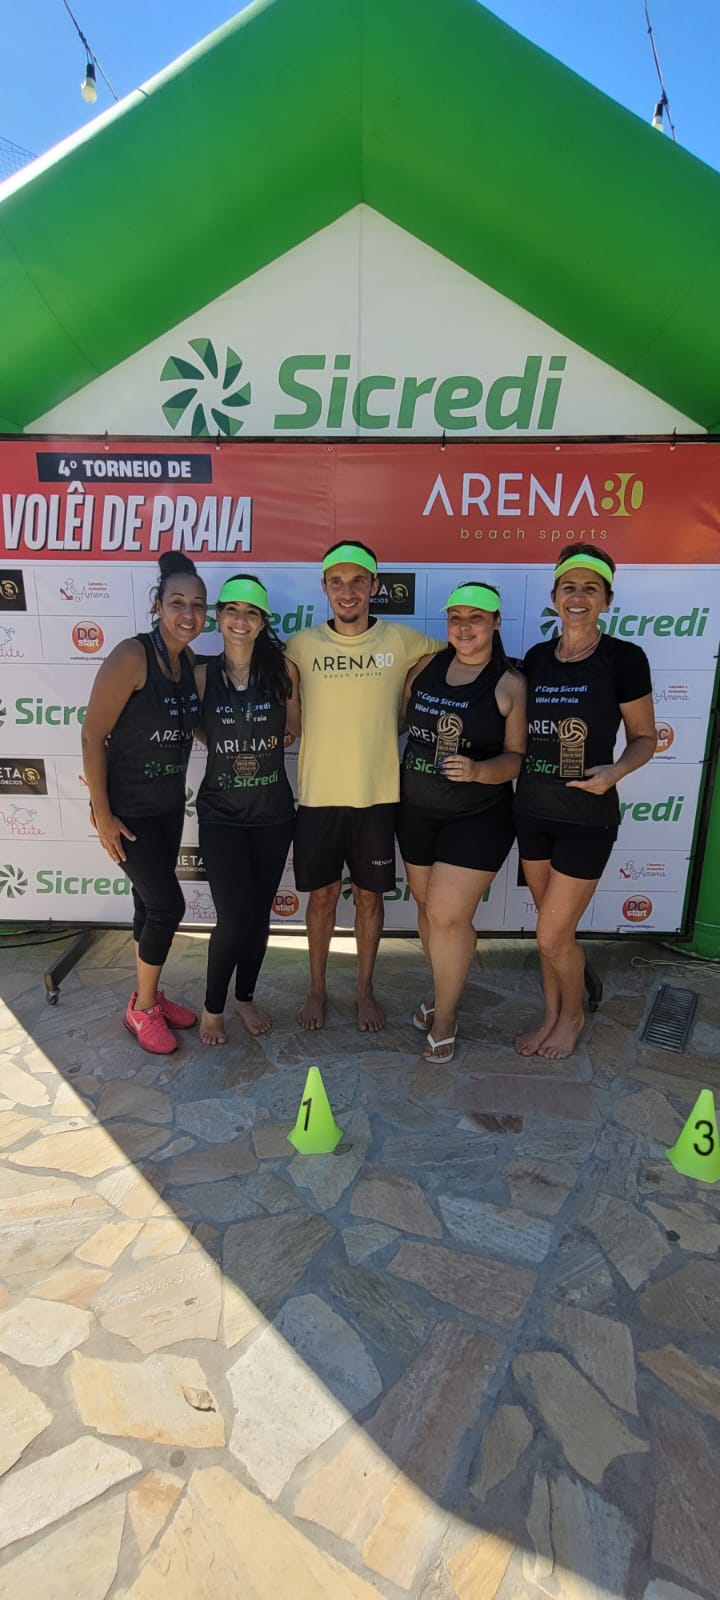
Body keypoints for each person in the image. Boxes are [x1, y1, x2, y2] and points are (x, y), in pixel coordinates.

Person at [286, 541, 441, 1032]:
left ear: (375, 585)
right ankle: (316, 989)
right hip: (318, 796)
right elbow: (286, 702)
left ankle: (363, 990)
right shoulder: (300, 645)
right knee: (322, 899)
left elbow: (452, 656)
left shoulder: (403, 640)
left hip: (377, 797)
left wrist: (406, 704)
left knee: (370, 900)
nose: (348, 591)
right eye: (337, 582)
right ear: (325, 588)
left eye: (358, 581)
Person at [514, 547, 656, 1061]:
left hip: (587, 818)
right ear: (554, 597)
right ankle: (551, 1013)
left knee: (553, 935)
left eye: (590, 589)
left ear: (606, 600)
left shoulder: (624, 658)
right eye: (569, 588)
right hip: (532, 811)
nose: (578, 597)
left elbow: (645, 738)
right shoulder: (535, 658)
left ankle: (572, 1015)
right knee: (549, 932)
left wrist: (614, 772)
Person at [81, 552, 206, 1054]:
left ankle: (147, 993)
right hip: (128, 811)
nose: (188, 613)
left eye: (197, 604)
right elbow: (92, 735)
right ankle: (142, 1010)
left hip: (168, 807)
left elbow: (193, 725)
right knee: (167, 905)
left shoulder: (188, 662)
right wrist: (103, 815)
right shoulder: (131, 656)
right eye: (177, 602)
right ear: (157, 606)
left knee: (146, 904)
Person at [398, 582, 526, 1062]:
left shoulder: (509, 683)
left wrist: (477, 771)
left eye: (477, 618)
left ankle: (446, 1015)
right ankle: (442, 991)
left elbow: (516, 759)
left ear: (496, 622)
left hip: (478, 816)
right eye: (456, 617)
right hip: (416, 810)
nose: (465, 627)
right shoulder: (425, 667)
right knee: (427, 908)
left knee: (448, 916)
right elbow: (400, 722)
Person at [193, 575, 298, 1045]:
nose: (241, 620)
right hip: (221, 814)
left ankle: (245, 997)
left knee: (258, 916)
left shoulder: (283, 671)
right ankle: (212, 1008)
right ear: (218, 617)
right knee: (233, 919)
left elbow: (295, 728)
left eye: (251, 613)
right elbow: (198, 730)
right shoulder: (201, 675)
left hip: (273, 813)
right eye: (232, 610)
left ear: (262, 622)